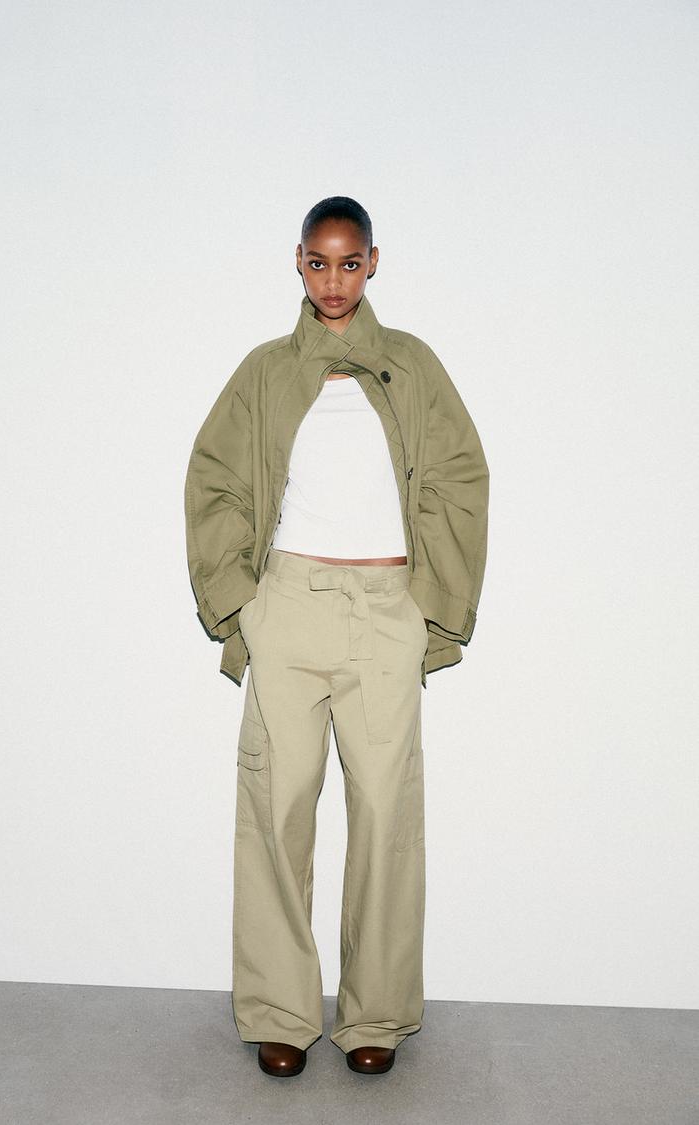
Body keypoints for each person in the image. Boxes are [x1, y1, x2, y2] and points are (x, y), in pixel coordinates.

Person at [183, 196, 489, 1078]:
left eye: (349, 263)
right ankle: (280, 1009)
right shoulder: (266, 372)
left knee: (386, 811)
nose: (333, 281)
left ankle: (376, 1015)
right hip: (289, 602)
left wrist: (431, 606)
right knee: (277, 807)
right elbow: (214, 479)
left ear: (372, 263)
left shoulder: (413, 366)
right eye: (318, 262)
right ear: (299, 262)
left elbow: (459, 478)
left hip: (386, 608)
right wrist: (241, 604)